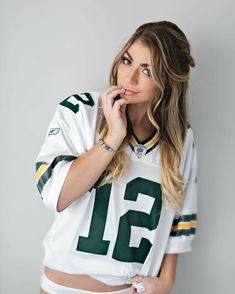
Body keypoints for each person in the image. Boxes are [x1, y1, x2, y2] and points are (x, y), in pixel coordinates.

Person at [35, 20, 197, 294]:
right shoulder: (80, 111)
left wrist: (166, 282)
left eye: (147, 70)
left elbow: (180, 214)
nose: (129, 78)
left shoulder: (181, 139)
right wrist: (112, 138)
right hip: (61, 288)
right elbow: (57, 195)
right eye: (127, 61)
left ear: (167, 80)